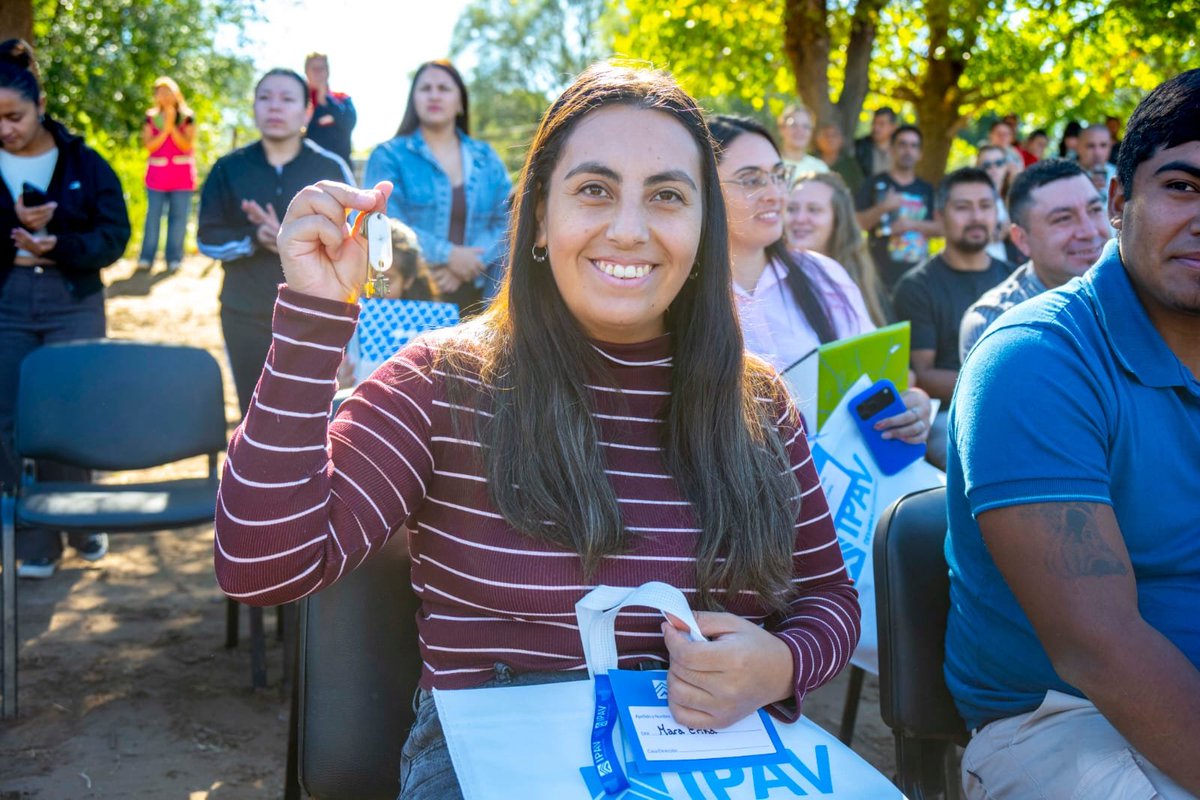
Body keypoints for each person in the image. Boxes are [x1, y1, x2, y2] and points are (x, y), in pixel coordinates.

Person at [214, 63, 861, 799]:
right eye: (594, 190)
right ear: (540, 219)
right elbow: (260, 566)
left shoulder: (759, 402)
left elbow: (829, 598)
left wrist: (782, 664)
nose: (629, 229)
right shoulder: (440, 381)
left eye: (667, 196)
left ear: (704, 227)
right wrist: (315, 316)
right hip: (490, 760)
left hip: (716, 763)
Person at [945, 68, 1200, 799]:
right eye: (1182, 186)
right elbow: (1100, 649)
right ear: (1119, 202)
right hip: (1066, 723)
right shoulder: (1033, 360)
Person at [709, 114, 930, 442]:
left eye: (778, 175)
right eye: (751, 180)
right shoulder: (676, 293)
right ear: (704, 189)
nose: (775, 194)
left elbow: (880, 385)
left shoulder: (825, 275)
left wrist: (911, 407)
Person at [0, 39, 130, 578]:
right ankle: (34, 537)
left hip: (73, 300)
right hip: (6, 301)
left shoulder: (84, 161)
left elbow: (115, 235)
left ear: (40, 105)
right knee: (10, 420)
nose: (6, 129)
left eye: (14, 116)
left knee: (73, 414)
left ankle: (81, 519)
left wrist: (60, 244)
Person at [197, 68, 354, 418]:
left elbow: (351, 243)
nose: (275, 106)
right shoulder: (228, 168)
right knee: (253, 411)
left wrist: (294, 240)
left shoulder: (330, 168)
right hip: (245, 311)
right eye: (265, 97)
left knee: (313, 414)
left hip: (316, 314)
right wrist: (254, 238)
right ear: (253, 107)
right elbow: (206, 239)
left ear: (307, 112)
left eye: (287, 98)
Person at [364, 60, 510, 317]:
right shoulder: (388, 156)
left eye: (443, 88)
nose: (434, 95)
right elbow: (384, 222)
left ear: (460, 102)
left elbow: (508, 218)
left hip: (480, 297)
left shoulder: (486, 157)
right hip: (410, 298)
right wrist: (448, 255)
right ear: (413, 100)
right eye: (425, 88)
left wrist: (470, 263)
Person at [959, 158, 1107, 360]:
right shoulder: (995, 323)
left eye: (1095, 210)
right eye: (1064, 218)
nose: (1090, 231)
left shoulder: (1141, 291)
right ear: (1022, 239)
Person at [891, 167, 1012, 402]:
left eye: (986, 206)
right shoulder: (916, 287)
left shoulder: (1014, 277)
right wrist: (1003, 387)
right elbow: (922, 375)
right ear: (939, 217)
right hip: (947, 412)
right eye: (963, 207)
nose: (976, 217)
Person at [337, 217, 439, 389]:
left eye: (386, 280)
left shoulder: (429, 326)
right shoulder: (336, 319)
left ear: (408, 280)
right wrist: (337, 385)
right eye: (366, 277)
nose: (374, 289)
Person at [785, 171, 888, 326]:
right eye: (791, 209)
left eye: (813, 209)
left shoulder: (862, 281)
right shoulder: (768, 278)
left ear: (838, 220)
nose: (799, 219)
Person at [855, 124, 941, 291]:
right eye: (902, 144)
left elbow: (942, 228)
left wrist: (911, 224)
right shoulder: (874, 183)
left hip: (918, 277)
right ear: (891, 149)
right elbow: (858, 223)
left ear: (920, 154)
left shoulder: (927, 189)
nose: (908, 150)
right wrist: (883, 207)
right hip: (878, 278)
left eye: (913, 146)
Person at [136, 76, 196, 273]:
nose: (164, 95)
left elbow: (186, 145)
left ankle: (174, 258)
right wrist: (166, 129)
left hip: (181, 177)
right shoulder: (151, 117)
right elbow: (149, 146)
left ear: (175, 93)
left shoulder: (187, 117)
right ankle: (146, 257)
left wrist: (172, 126)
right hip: (157, 176)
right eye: (160, 92)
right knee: (152, 218)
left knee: (178, 219)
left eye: (167, 91)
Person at [303, 52, 356, 167]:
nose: (318, 73)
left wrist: (325, 99)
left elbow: (349, 123)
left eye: (322, 69)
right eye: (314, 69)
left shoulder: (342, 99)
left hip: (339, 168)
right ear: (306, 72)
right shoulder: (297, 101)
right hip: (306, 168)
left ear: (328, 72)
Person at [813, 121, 865, 196]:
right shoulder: (810, 160)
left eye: (834, 135)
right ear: (818, 140)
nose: (830, 139)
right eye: (826, 135)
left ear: (841, 140)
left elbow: (861, 190)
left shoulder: (850, 164)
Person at [776, 103, 826, 175]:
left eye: (806, 126)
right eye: (794, 125)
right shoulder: (772, 164)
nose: (800, 131)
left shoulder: (820, 168)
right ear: (782, 129)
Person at [1078, 122, 1117, 205]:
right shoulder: (1067, 178)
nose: (1097, 152)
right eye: (1090, 146)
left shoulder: (1120, 176)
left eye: (1103, 145)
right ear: (1079, 147)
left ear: (1110, 146)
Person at [853, 106, 896, 180]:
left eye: (881, 124)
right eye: (874, 123)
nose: (876, 128)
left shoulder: (900, 149)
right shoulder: (860, 147)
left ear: (893, 127)